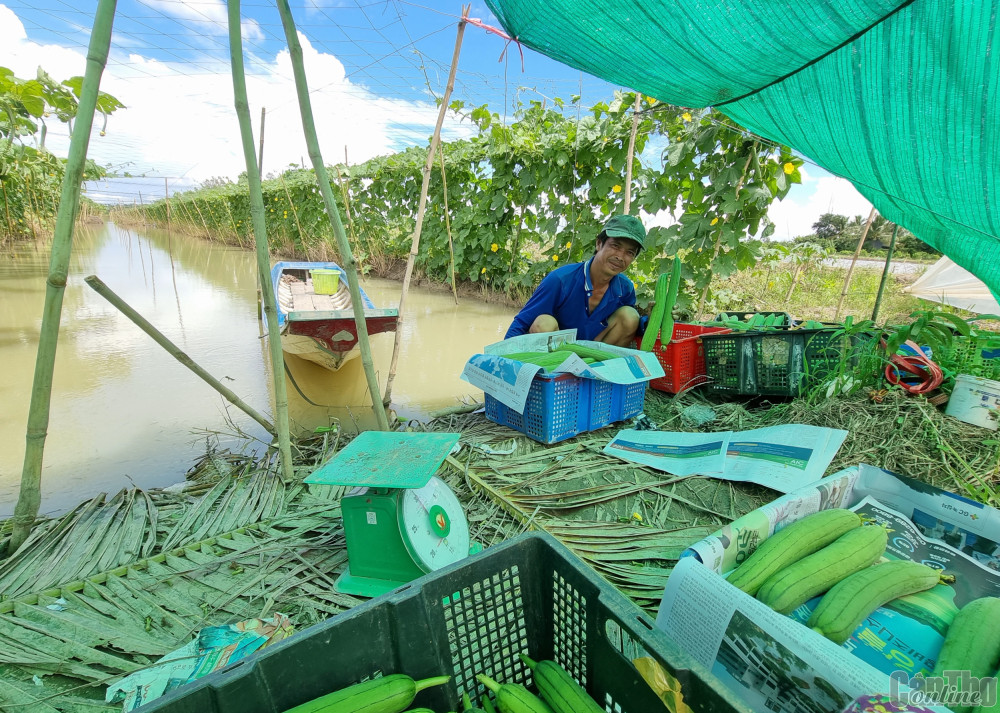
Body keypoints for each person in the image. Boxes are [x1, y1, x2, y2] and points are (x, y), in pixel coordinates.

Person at [505, 214, 648, 346]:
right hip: (557, 352)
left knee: (630, 316)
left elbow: (630, 328)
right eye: (615, 246)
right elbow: (522, 323)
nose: (620, 256)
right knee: (544, 323)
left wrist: (649, 323)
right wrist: (502, 358)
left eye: (630, 252)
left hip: (592, 353)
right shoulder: (560, 280)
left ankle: (598, 366)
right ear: (599, 244)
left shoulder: (625, 288)